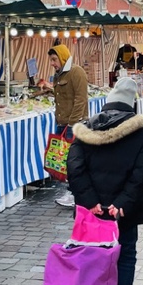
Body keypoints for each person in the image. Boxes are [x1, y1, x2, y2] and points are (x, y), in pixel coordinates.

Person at [67, 77, 143, 285]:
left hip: (90, 213)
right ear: (132, 103)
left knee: (90, 256)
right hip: (124, 212)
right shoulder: (141, 131)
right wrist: (123, 203)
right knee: (125, 255)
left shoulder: (86, 129)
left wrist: (90, 201)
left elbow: (74, 167)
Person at [39, 44, 89, 207]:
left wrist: (72, 123)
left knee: (74, 160)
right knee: (64, 161)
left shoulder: (76, 72)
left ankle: (75, 194)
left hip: (74, 124)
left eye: (54, 59)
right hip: (62, 123)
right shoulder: (58, 75)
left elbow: (81, 99)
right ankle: (71, 191)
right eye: (51, 60)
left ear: (62, 57)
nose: (52, 63)